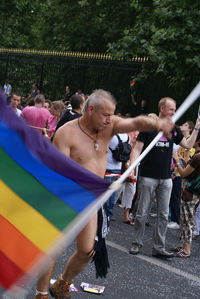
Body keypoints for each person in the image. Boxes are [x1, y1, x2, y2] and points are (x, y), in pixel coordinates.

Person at [34, 89, 174, 299]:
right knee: (52, 249)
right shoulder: (66, 134)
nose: (110, 120)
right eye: (106, 114)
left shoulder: (109, 126)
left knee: (87, 250)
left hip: (91, 200)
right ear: (91, 110)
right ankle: (41, 293)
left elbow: (136, 123)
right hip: (65, 199)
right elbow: (58, 174)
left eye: (112, 114)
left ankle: (62, 283)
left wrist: (157, 124)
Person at [129, 97, 200, 259]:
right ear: (162, 109)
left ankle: (158, 247)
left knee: (163, 214)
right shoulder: (148, 127)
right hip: (147, 177)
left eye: (175, 109)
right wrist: (133, 167)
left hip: (166, 179)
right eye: (171, 109)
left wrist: (196, 127)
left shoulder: (174, 129)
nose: (174, 112)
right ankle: (136, 242)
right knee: (141, 213)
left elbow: (188, 145)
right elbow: (137, 149)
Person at [172, 132, 200, 258]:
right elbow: (192, 169)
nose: (190, 141)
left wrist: (177, 161)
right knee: (185, 219)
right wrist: (185, 160)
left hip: (190, 193)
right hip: (194, 192)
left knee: (187, 220)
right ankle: (184, 245)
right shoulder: (197, 157)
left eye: (194, 139)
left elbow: (183, 173)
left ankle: (187, 249)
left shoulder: (198, 157)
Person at [168, 121, 195, 230]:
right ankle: (172, 217)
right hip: (177, 171)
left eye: (185, 125)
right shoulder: (182, 140)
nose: (182, 126)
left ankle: (175, 220)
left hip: (180, 174)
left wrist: (175, 172)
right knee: (173, 197)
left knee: (176, 197)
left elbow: (186, 160)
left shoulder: (188, 142)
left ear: (190, 129)